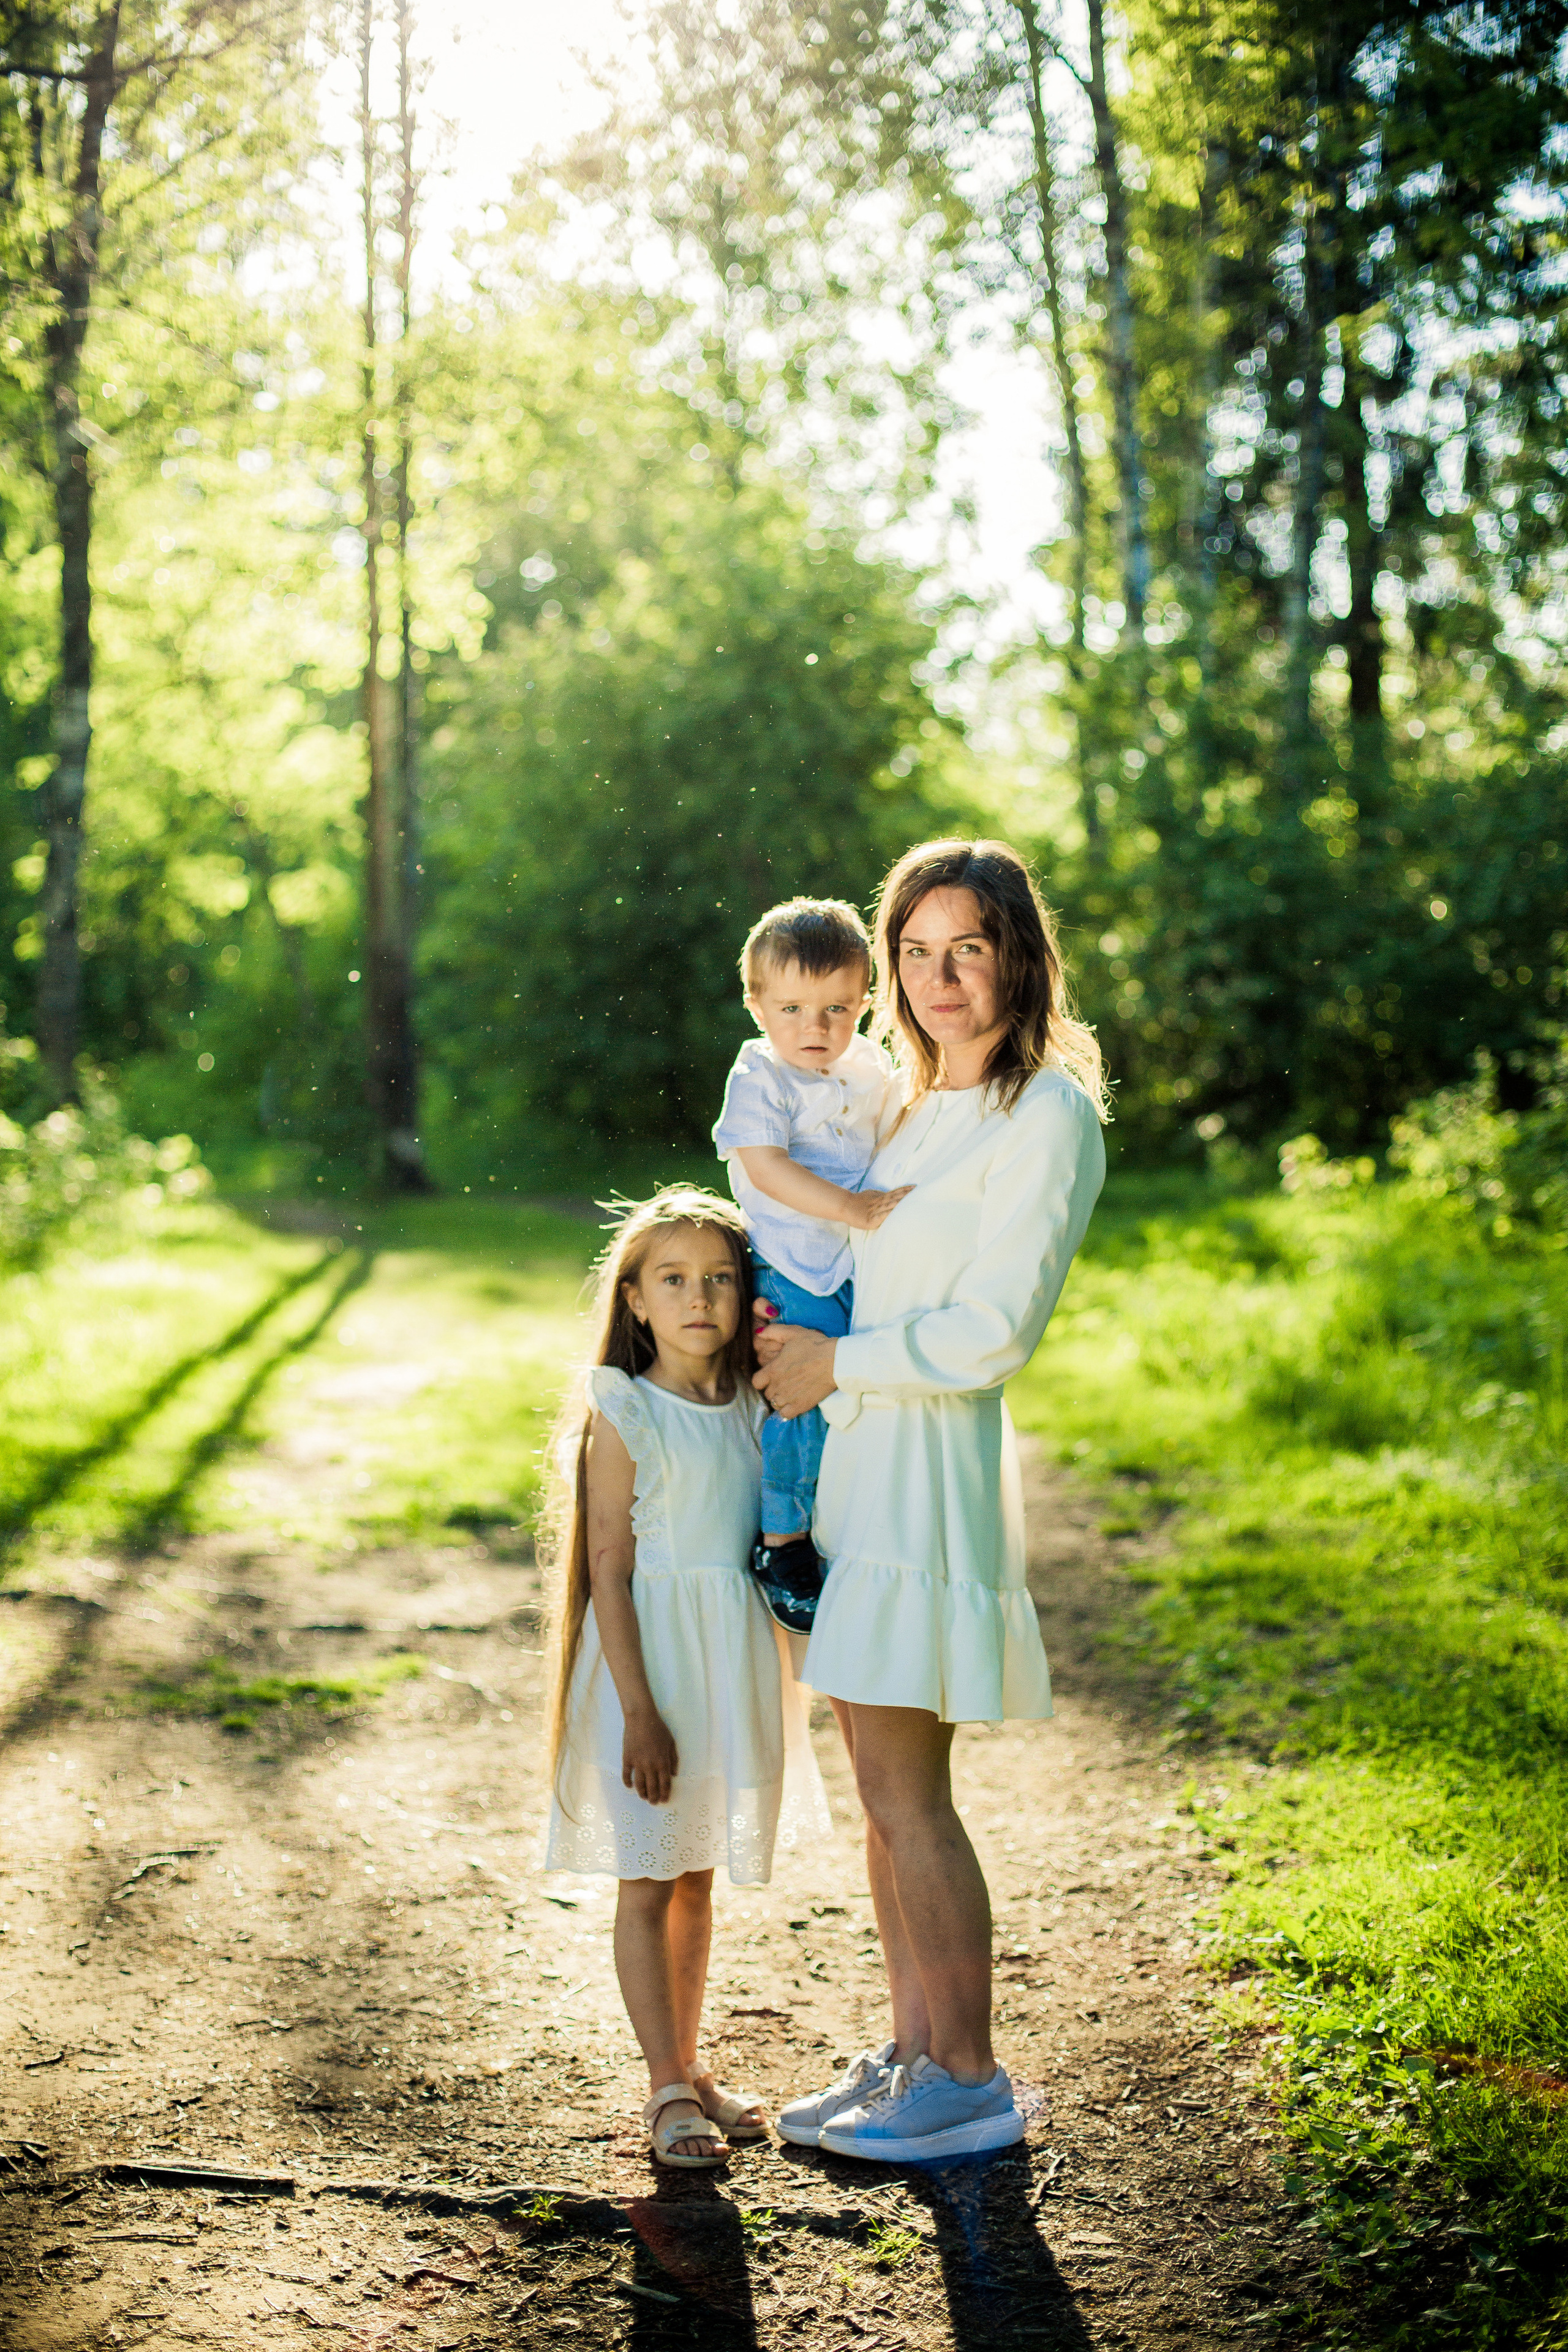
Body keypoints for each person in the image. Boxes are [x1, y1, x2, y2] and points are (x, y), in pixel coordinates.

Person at [755, 838, 1109, 2163]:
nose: (938, 976)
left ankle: (965, 2078)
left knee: (909, 1794)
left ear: (1016, 953)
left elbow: (989, 1334)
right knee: (873, 1784)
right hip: (855, 1463)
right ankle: (911, 2048)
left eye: (966, 947)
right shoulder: (907, 1104)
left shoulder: (1043, 1114)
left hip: (925, 1477)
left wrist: (834, 1363)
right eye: (914, 948)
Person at [543, 1188, 831, 2168]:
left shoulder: (758, 1403)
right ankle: (664, 2089)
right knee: (648, 1878)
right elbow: (612, 1569)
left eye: (718, 1277)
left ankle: (691, 2064)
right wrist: (638, 1712)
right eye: (674, 1279)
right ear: (634, 1300)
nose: (699, 1296)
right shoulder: (623, 1408)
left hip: (730, 1658)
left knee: (696, 1872)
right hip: (652, 1669)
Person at [711, 898, 910, 1631]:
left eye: (837, 1008)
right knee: (796, 1394)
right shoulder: (760, 1072)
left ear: (864, 1002)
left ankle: (844, 1512)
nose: (815, 1028)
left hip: (853, 1264)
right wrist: (852, 1209)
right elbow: (764, 1167)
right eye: (792, 1007)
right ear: (756, 1004)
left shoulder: (869, 1065)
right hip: (791, 1263)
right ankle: (782, 1538)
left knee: (853, 1384)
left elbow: (900, 1127)